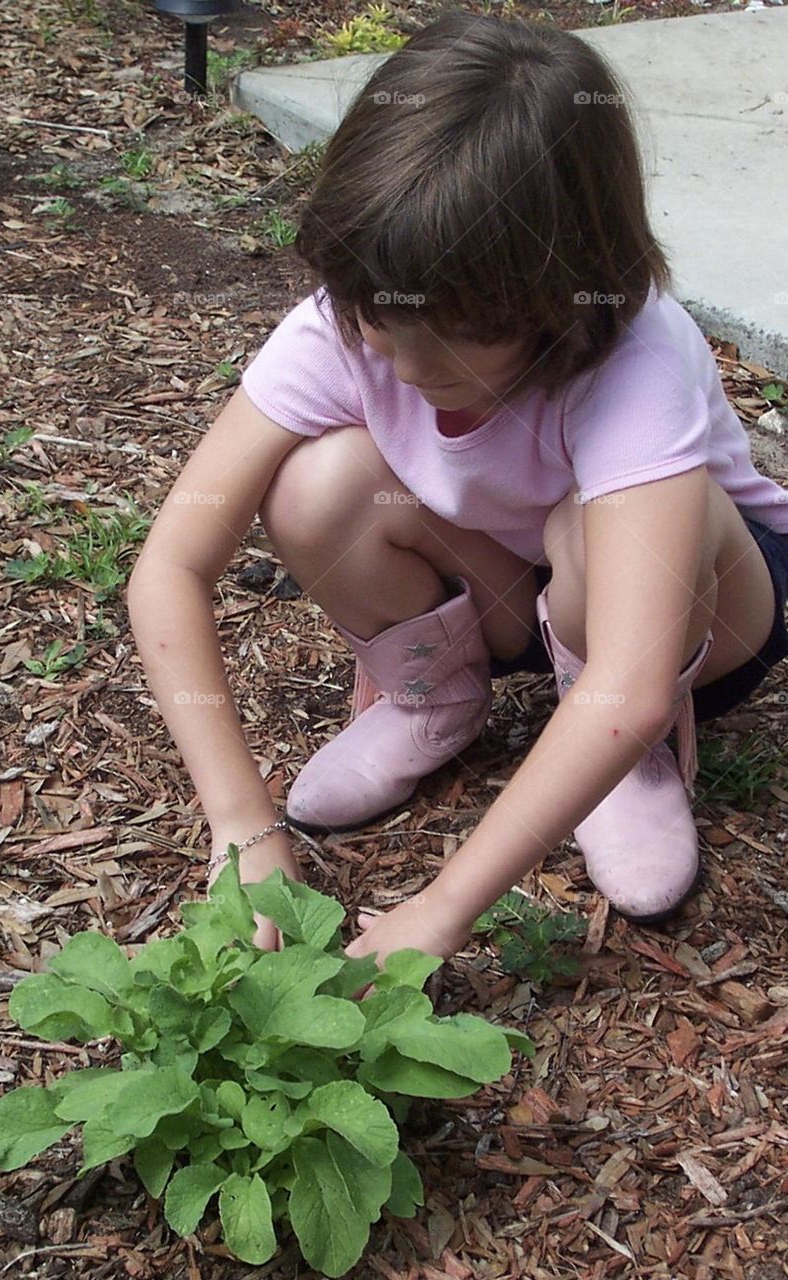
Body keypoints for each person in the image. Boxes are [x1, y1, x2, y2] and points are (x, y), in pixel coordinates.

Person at [127, 13, 788, 967]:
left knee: (601, 538)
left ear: (569, 289)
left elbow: (633, 680)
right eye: (377, 320)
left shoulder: (632, 353)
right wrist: (241, 822)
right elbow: (172, 564)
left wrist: (437, 913)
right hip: (517, 592)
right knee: (317, 486)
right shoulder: (363, 319)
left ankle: (624, 768)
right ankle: (433, 700)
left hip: (696, 625)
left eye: (463, 329)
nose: (405, 360)